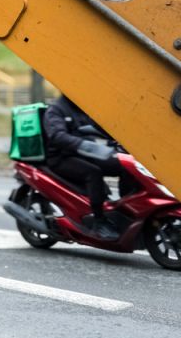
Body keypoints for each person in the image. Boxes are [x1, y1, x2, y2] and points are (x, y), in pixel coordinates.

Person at [42, 95, 135, 241]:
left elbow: (99, 128)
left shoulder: (81, 107)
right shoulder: (56, 110)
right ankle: (99, 221)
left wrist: (119, 140)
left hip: (82, 154)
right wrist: (83, 145)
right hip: (60, 158)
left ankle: (128, 208)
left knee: (124, 166)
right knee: (93, 173)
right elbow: (57, 136)